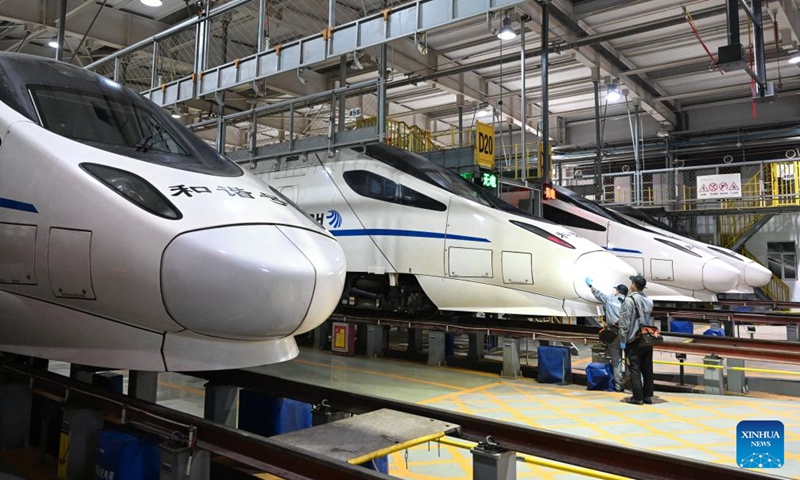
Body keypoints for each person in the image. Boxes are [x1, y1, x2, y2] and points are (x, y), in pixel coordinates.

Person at [584, 278, 628, 392]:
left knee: (616, 361)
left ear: (618, 291)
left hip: (613, 334)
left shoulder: (610, 300)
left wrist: (591, 286)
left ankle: (619, 385)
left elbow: (598, 295)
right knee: (631, 361)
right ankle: (633, 384)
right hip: (627, 334)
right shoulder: (629, 303)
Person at [617, 274, 655, 405]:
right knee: (647, 368)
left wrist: (622, 339)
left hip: (634, 339)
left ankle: (637, 397)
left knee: (634, 368)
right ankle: (647, 396)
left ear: (634, 285)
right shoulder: (649, 301)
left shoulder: (629, 301)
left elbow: (624, 322)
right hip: (647, 338)